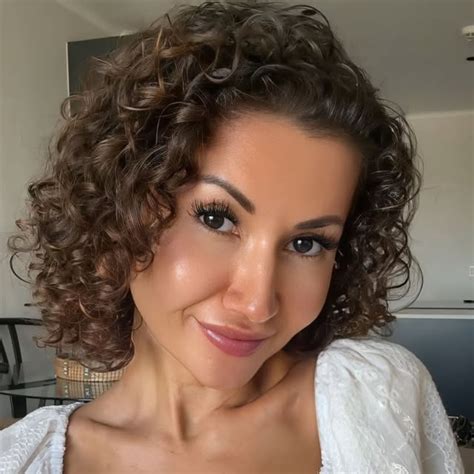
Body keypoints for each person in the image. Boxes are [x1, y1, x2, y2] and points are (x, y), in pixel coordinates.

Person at [0, 1, 464, 473]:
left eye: (307, 244)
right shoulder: (24, 461)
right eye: (217, 219)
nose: (258, 304)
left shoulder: (378, 397)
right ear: (120, 212)